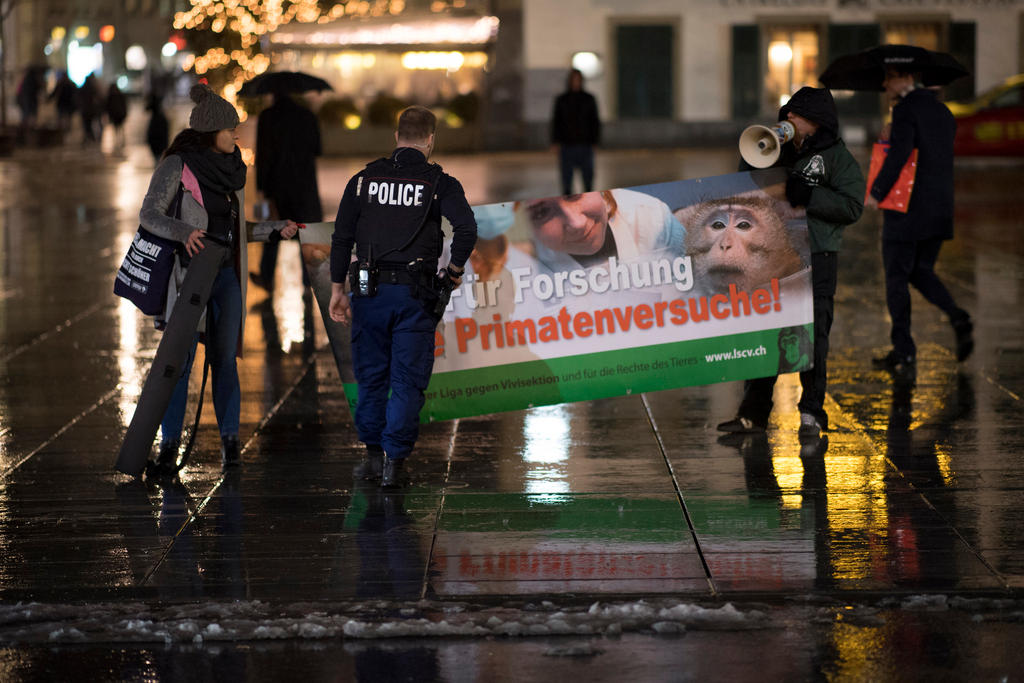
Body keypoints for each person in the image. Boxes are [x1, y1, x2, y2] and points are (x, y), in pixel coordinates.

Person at [139, 83, 299, 474]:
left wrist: (276, 229)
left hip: (226, 277)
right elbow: (149, 215)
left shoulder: (234, 172)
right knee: (179, 363)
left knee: (225, 360)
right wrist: (184, 233)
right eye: (230, 130)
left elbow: (236, 228)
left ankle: (230, 444)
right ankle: (169, 447)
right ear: (212, 131)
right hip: (189, 278)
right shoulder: (176, 166)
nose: (236, 135)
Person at [328, 106, 477, 488]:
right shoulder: (439, 182)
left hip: (368, 294)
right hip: (415, 297)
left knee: (371, 376)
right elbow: (466, 229)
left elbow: (342, 237)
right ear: (430, 140)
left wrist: (337, 290)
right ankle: (395, 462)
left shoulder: (362, 181)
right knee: (407, 381)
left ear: (396, 138)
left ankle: (373, 456)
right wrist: (454, 271)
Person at [718, 86, 864, 439]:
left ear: (815, 123)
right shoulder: (778, 149)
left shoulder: (836, 157)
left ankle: (812, 412)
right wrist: (756, 157)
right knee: (766, 331)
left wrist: (811, 195)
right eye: (787, 114)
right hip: (774, 258)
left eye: (795, 116)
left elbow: (851, 207)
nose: (788, 120)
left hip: (817, 255)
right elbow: (747, 186)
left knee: (814, 335)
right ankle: (752, 414)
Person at [867, 67, 973, 376]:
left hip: (906, 209)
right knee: (920, 270)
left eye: (889, 77)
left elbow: (900, 157)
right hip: (939, 207)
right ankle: (958, 317)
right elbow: (928, 152)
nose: (885, 83)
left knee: (897, 277)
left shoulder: (905, 111)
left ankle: (904, 352)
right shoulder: (943, 112)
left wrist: (876, 191)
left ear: (906, 79)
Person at [253, 89, 323, 291]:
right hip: (304, 186)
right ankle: (309, 281)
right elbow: (318, 148)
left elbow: (263, 156)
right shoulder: (307, 115)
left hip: (277, 186)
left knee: (273, 232)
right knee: (306, 232)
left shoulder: (268, 117)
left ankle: (266, 277)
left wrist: (261, 188)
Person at [551, 68, 601, 196]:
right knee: (567, 182)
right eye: (574, 79)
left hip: (585, 145)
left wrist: (595, 141)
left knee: (588, 181)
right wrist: (555, 141)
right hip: (567, 145)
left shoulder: (589, 99)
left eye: (578, 79)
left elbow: (594, 121)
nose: (576, 82)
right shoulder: (562, 100)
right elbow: (556, 122)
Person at [145, 93, 170, 162]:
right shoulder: (161, 118)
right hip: (159, 145)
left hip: (158, 145)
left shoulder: (158, 119)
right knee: (158, 162)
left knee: (158, 162)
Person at [106, 82, 128, 148]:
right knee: (117, 129)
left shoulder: (115, 96)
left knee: (119, 129)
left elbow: (124, 105)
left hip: (118, 114)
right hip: (116, 115)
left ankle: (121, 141)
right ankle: (119, 141)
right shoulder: (112, 96)